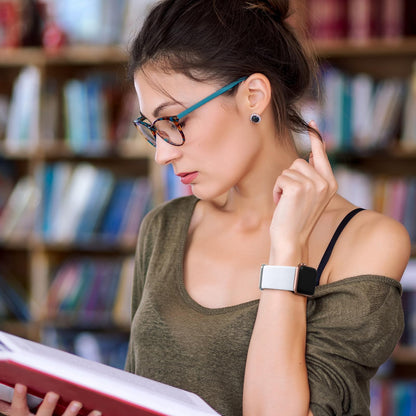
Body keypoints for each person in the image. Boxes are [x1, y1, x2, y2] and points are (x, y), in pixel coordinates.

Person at [0, 0, 410, 415]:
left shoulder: (368, 241)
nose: (162, 155)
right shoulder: (165, 227)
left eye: (175, 121)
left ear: (253, 96)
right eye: (151, 129)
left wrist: (287, 249)